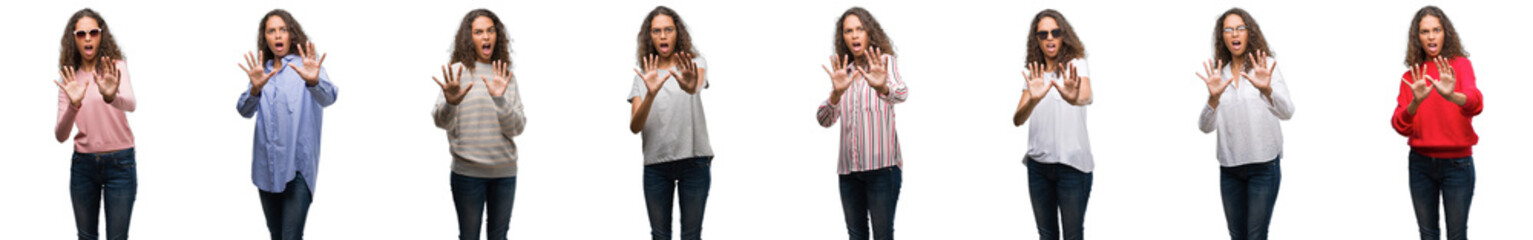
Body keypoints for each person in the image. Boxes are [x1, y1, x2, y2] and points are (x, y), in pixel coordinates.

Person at [234, 9, 338, 240]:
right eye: (271, 31)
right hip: (266, 169)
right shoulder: (263, 71)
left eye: (283, 29)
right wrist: (254, 89)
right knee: (276, 235)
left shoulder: (305, 65)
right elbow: (243, 110)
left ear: (292, 34)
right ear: (265, 37)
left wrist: (314, 82)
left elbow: (329, 98)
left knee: (290, 236)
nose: (278, 35)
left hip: (298, 168)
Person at [1193, 8, 1294, 240]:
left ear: (1249, 33)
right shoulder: (1220, 73)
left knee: (1255, 235)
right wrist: (1213, 98)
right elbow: (1205, 127)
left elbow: (1287, 112)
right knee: (1237, 235)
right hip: (1230, 168)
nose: (1234, 34)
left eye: (1240, 28)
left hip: (1263, 166)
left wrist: (1267, 90)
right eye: (1228, 30)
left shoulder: (1266, 65)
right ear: (1222, 37)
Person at [431, 8, 527, 240]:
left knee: (499, 236)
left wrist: (499, 99)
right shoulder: (456, 73)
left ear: (497, 36)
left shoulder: (505, 76)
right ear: (469, 37)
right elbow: (440, 121)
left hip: (504, 173)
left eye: (490, 31)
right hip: (467, 174)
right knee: (469, 236)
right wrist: (451, 103)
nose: (486, 37)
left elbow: (517, 128)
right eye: (479, 32)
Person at [816, 7, 909, 240]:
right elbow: (824, 119)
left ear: (869, 32)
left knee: (882, 236)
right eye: (849, 31)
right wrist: (835, 95)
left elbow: (901, 93)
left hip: (882, 170)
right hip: (848, 173)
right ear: (843, 37)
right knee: (856, 236)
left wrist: (882, 87)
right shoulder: (843, 73)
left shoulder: (885, 63)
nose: (855, 35)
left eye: (860, 29)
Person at [1391, 5, 1482, 240]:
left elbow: (1476, 102)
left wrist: (1452, 95)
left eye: (1436, 30)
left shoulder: (1460, 65)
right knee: (1428, 234)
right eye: (1424, 31)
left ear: (1445, 33)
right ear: (1417, 38)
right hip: (1420, 165)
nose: (1431, 36)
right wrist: (1415, 103)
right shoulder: (1411, 76)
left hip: (1458, 165)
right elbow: (1400, 124)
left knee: (1457, 234)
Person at [627, 6, 714, 240]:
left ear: (678, 33)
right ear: (650, 36)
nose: (663, 36)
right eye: (656, 31)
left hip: (694, 162)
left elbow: (696, 85)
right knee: (660, 236)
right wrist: (651, 93)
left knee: (692, 236)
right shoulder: (644, 75)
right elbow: (635, 126)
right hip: (656, 166)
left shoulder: (694, 63)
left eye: (668, 30)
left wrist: (689, 84)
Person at [53, 8, 139, 240]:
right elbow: (61, 135)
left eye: (93, 32)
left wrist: (111, 96)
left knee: (117, 237)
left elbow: (131, 104)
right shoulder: (70, 79)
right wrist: (73, 105)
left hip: (120, 163)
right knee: (86, 236)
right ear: (74, 39)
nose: (88, 38)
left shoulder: (115, 68)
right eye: (81, 34)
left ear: (101, 35)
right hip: (84, 167)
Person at [1011, 9, 1095, 240]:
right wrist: (1033, 99)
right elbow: (1018, 119)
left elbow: (1087, 97)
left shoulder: (1076, 65)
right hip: (1038, 167)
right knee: (1046, 235)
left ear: (1063, 35)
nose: (1049, 37)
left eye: (1055, 32)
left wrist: (1073, 97)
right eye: (1043, 34)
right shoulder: (1034, 72)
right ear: (1036, 39)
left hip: (1073, 167)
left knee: (1072, 235)